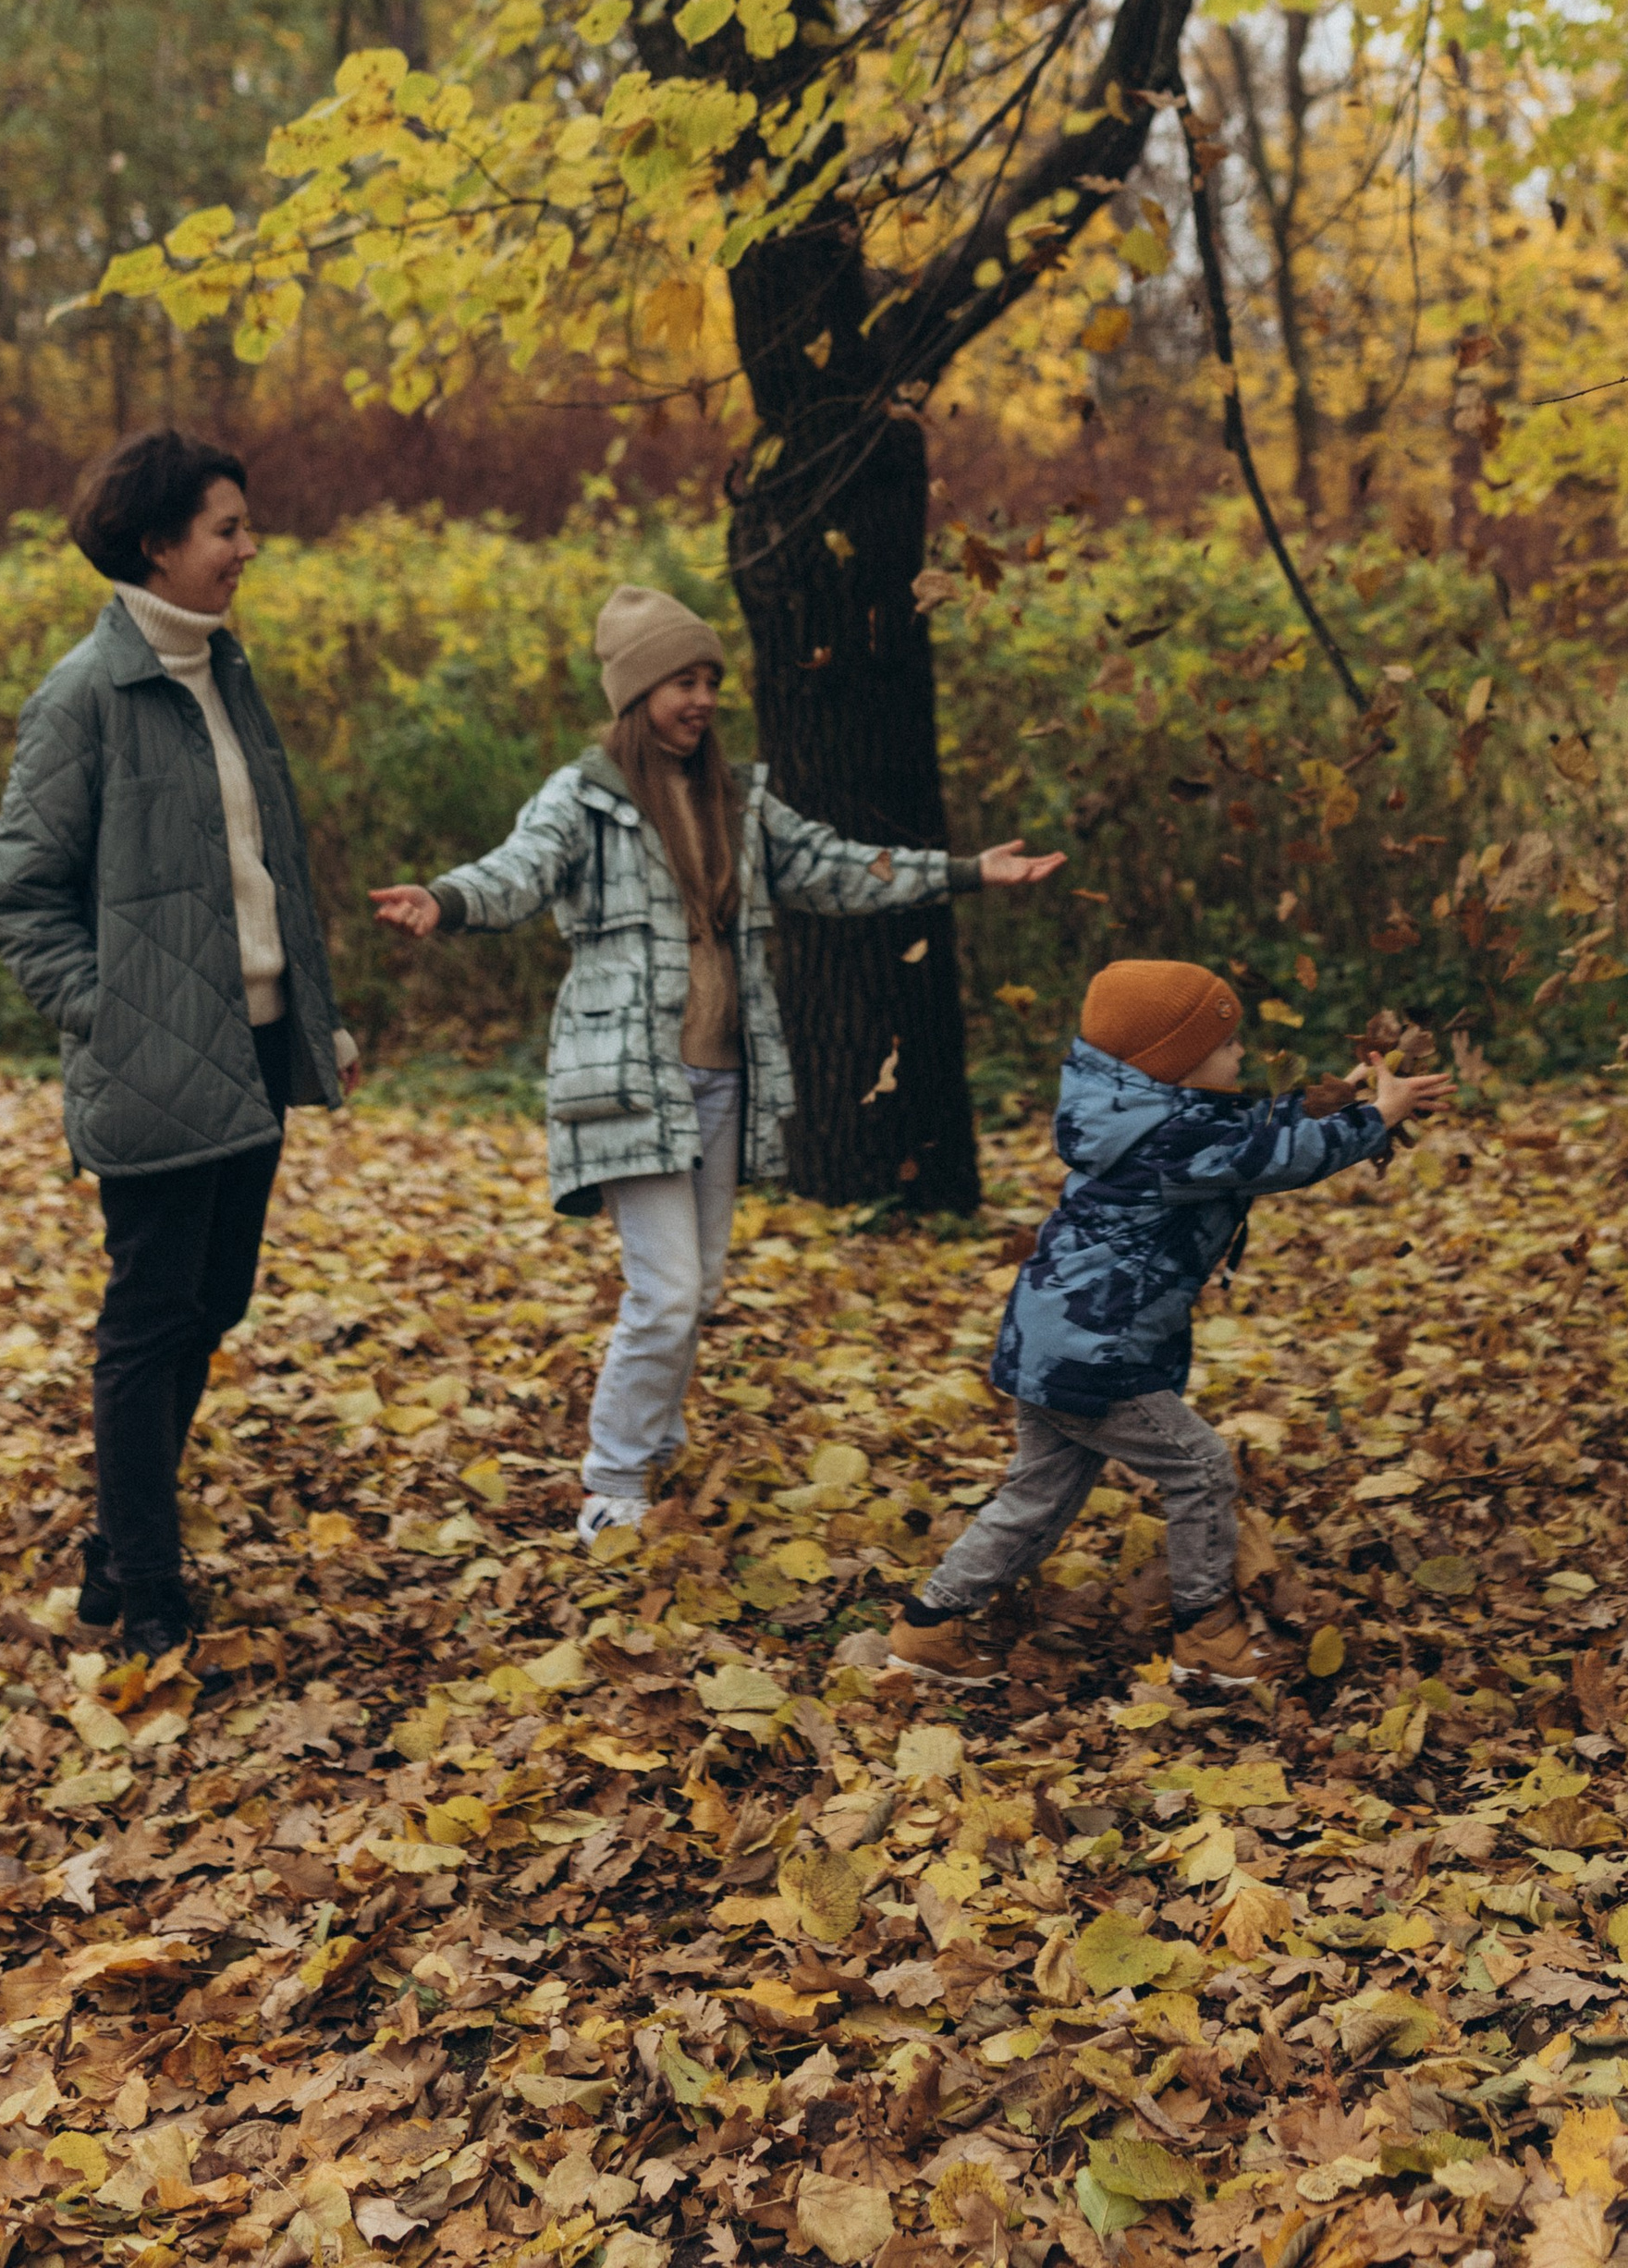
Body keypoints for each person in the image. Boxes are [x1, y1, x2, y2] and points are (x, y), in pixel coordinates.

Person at [370, 585, 1064, 1543]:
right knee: (665, 1292)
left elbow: (832, 865)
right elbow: (515, 873)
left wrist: (962, 871)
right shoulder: (584, 798)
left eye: (707, 680)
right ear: (633, 692)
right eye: (677, 682)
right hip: (625, 1074)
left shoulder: (739, 800)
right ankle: (611, 1483)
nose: (698, 698)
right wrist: (444, 901)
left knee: (694, 1287)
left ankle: (654, 1445)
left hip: (720, 1077)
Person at [0, 429, 360, 1659]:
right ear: (159, 545)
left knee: (214, 1302)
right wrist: (114, 1012)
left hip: (249, 1050)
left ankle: (110, 1550)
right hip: (150, 1065)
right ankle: (146, 1588)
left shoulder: (226, 675)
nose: (250, 548)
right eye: (227, 530)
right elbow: (16, 896)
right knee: (151, 1318)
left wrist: (318, 1018)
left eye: (246, 528)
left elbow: (268, 874)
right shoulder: (85, 695)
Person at [888, 958, 1450, 1692]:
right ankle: (1207, 1633)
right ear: (1172, 1063)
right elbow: (1280, 1158)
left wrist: (1330, 1102)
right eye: (1225, 1047)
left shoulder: (1130, 1114)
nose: (1240, 1055)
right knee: (1200, 1467)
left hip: (1052, 1340)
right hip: (1099, 1352)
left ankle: (932, 1626)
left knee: (1037, 1495)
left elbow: (1241, 1127)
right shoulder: (1170, 1138)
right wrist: (1376, 1118)